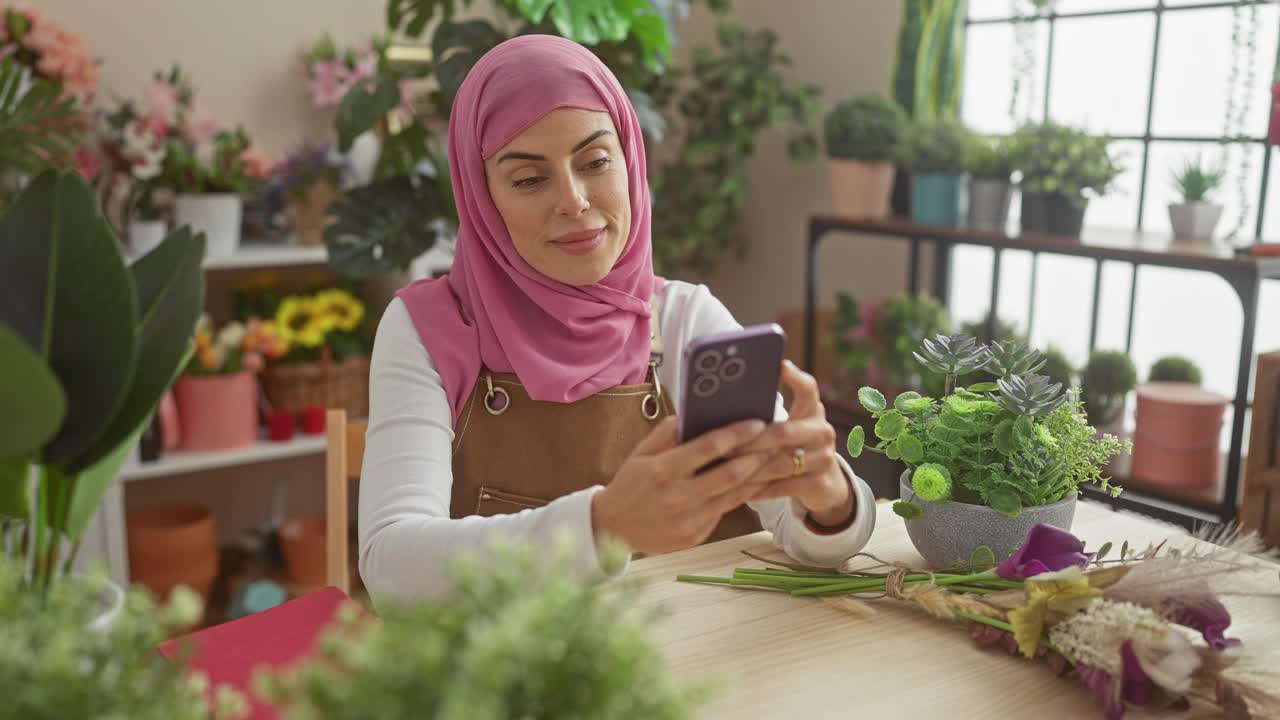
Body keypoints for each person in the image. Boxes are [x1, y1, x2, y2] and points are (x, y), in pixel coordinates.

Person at [358, 34, 875, 603]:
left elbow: (803, 532)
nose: (575, 200)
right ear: (482, 200)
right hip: (501, 672)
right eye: (529, 178)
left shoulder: (683, 319)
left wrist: (829, 502)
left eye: (596, 161)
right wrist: (601, 526)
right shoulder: (426, 331)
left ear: (629, 160)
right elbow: (390, 565)